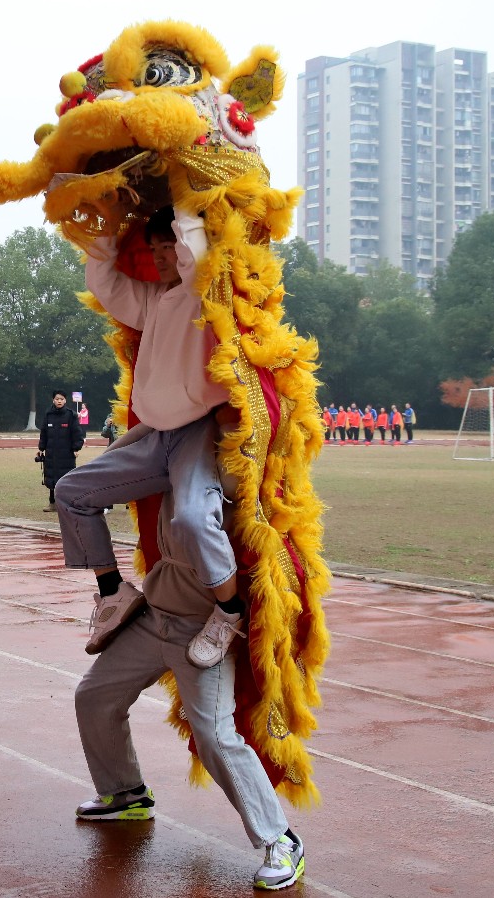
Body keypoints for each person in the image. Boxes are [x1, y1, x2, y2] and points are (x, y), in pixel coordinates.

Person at [55, 203, 304, 889]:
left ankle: (279, 840)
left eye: (170, 244)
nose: (163, 254)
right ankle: (124, 792)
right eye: (156, 245)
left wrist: (187, 197)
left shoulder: (202, 299)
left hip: (200, 623)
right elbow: (111, 285)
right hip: (156, 608)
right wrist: (99, 229)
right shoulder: (156, 303)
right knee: (93, 694)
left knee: (217, 734)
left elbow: (198, 260)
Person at [38, 390, 85, 512]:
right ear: (53, 400)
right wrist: (41, 448)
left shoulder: (71, 415)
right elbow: (43, 433)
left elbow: (77, 433)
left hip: (66, 453)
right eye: (57, 399)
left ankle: (66, 504)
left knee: (66, 479)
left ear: (65, 400)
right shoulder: (48, 414)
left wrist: (76, 448)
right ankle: (52, 503)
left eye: (61, 399)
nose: (59, 401)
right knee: (51, 477)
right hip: (51, 452)